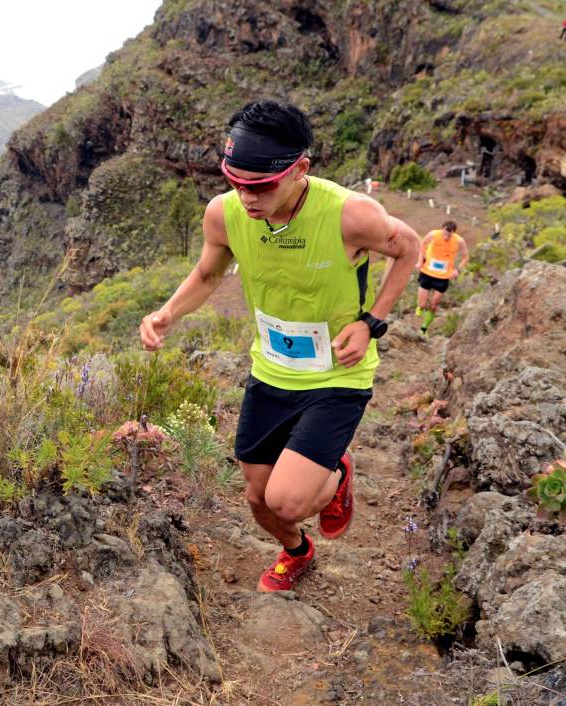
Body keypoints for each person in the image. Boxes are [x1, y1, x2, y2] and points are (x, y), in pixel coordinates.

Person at [139, 100, 419, 592]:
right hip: (270, 370)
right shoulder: (223, 215)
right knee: (257, 497)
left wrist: (371, 321)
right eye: (235, 181)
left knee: (287, 499)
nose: (246, 197)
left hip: (337, 374)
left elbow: (409, 247)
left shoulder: (350, 215)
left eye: (261, 185)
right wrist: (167, 313)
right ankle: (298, 550)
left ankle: (333, 474)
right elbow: (208, 274)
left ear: (300, 170)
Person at [415, 221, 469, 334]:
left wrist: (457, 270)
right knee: (422, 304)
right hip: (427, 273)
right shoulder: (433, 234)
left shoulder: (459, 241)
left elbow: (465, 257)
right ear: (442, 229)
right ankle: (420, 309)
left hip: (443, 277)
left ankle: (424, 329)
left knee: (434, 305)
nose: (446, 236)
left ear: (454, 233)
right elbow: (422, 244)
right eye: (445, 233)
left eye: (449, 235)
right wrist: (420, 261)